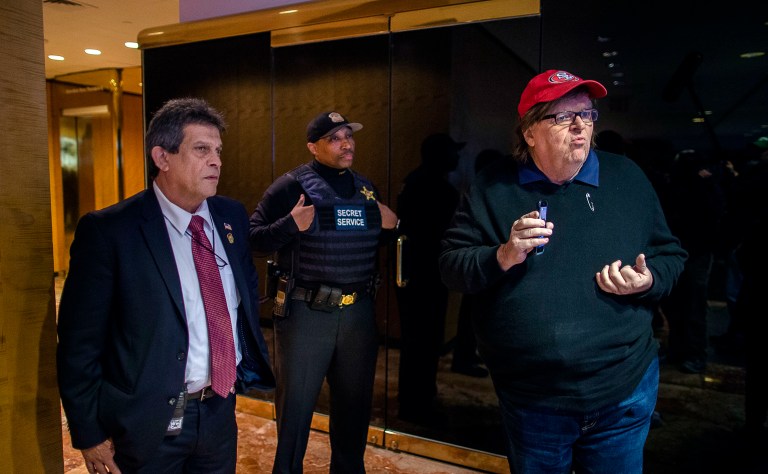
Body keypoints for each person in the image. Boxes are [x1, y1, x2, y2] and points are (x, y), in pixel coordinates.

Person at [439, 70, 686, 473]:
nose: (579, 126)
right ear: (529, 132)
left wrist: (650, 279)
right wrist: (502, 255)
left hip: (624, 387)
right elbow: (452, 267)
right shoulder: (492, 186)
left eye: (587, 115)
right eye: (562, 117)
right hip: (535, 398)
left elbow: (671, 256)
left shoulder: (627, 178)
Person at [57, 97, 275, 473]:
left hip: (219, 409)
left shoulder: (231, 216)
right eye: (202, 149)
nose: (217, 161)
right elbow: (79, 344)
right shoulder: (111, 231)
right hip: (146, 421)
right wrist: (89, 433)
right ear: (162, 157)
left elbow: (242, 298)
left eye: (218, 151)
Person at [249, 111, 398, 473]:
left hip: (357, 314)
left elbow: (376, 238)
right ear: (313, 147)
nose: (346, 143)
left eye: (349, 135)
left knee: (354, 408)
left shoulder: (366, 188)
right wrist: (290, 224)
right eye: (334, 138)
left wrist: (392, 226)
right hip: (306, 314)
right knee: (297, 409)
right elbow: (253, 239)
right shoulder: (290, 187)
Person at [395, 133, 465, 422]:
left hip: (417, 273)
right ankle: (416, 403)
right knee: (422, 341)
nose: (458, 158)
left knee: (419, 341)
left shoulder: (414, 182)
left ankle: (418, 397)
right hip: (426, 276)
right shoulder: (436, 189)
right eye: (453, 152)